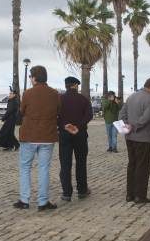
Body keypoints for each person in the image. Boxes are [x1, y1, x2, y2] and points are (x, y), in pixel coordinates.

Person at [13, 65, 60, 211]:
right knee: (44, 168)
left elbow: (22, 111)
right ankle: (42, 201)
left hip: (29, 135)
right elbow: (58, 111)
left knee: (25, 167)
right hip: (47, 136)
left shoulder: (28, 93)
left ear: (33, 78)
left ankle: (24, 199)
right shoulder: (55, 94)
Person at [119, 78, 150, 203]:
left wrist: (126, 125)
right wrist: (134, 126)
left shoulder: (131, 97)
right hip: (143, 138)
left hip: (130, 138)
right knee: (143, 166)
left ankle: (129, 194)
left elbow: (121, 115)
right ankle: (140, 196)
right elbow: (145, 119)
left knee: (132, 164)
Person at [58, 76, 93, 202]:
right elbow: (89, 115)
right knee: (81, 163)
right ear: (75, 85)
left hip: (64, 134)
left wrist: (64, 125)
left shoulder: (60, 99)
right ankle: (82, 190)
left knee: (65, 164)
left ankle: (67, 192)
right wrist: (78, 126)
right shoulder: (83, 99)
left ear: (66, 85)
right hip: (80, 134)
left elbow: (56, 116)